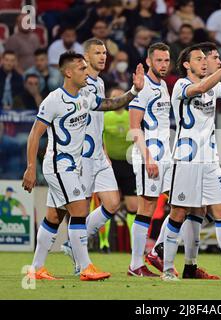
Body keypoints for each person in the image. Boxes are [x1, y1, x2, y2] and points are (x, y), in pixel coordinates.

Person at [22, 51, 144, 281]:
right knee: (79, 210)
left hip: (71, 167)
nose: (86, 72)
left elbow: (110, 104)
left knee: (53, 217)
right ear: (68, 72)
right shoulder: (53, 100)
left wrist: (134, 91)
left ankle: (36, 268)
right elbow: (34, 134)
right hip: (59, 166)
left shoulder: (85, 96)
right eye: (81, 68)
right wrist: (30, 167)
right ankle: (86, 267)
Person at [147, 41, 221, 280]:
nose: (203, 62)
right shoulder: (181, 85)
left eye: (204, 58)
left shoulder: (214, 87)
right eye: (198, 59)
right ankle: (168, 268)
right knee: (178, 213)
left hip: (209, 161)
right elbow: (199, 90)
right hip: (186, 160)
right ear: (187, 64)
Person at [60, 38, 135, 275]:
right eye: (97, 53)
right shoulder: (81, 85)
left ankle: (72, 245)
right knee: (76, 209)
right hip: (82, 156)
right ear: (85, 56)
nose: (103, 56)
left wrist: (103, 148)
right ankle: (81, 264)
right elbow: (107, 108)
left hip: (99, 156)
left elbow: (97, 123)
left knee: (112, 203)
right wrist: (134, 91)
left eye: (104, 53)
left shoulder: (100, 82)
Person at [127, 42, 172, 277]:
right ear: (149, 61)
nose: (163, 64)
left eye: (166, 60)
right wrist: (148, 158)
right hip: (149, 155)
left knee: (181, 204)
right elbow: (134, 127)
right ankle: (135, 265)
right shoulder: (143, 88)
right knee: (146, 207)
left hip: (166, 154)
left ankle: (155, 251)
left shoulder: (164, 85)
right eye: (159, 60)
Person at [103, 87, 138, 244]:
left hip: (128, 164)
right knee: (110, 205)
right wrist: (104, 156)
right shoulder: (104, 117)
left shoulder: (130, 116)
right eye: (113, 97)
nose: (117, 99)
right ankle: (104, 243)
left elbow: (138, 137)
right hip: (110, 164)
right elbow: (99, 138)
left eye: (119, 97)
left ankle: (133, 243)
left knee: (133, 206)